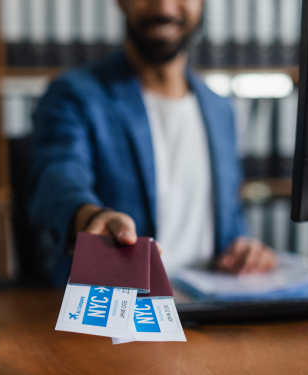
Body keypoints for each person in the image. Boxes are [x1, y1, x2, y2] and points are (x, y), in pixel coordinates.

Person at [28, 0, 276, 285]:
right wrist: (90, 217)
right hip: (120, 311)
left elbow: (230, 220)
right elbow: (55, 179)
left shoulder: (220, 109)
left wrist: (243, 247)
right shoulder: (73, 95)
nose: (165, 6)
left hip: (211, 309)